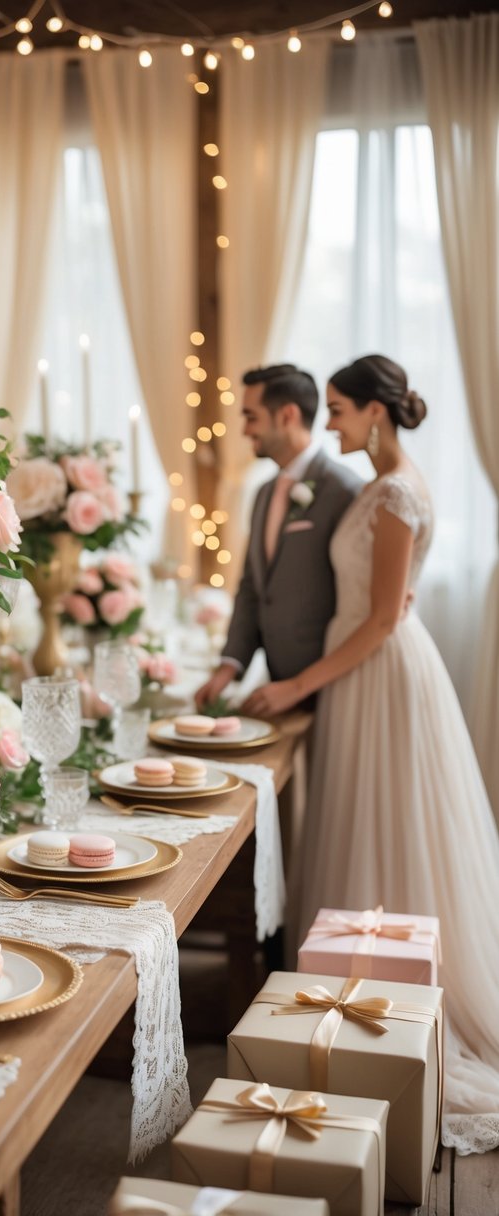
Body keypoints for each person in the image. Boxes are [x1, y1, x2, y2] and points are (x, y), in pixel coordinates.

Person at [244, 354, 499, 1153]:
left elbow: (384, 617)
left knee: (389, 827)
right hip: (359, 675)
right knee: (360, 822)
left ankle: (391, 1012)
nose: (333, 426)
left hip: (380, 674)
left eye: (342, 413)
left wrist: (294, 687)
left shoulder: (391, 491)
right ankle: (350, 1004)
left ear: (374, 415)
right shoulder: (378, 487)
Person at [195, 364, 362, 710]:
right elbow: (253, 588)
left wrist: (302, 685)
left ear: (287, 415)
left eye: (251, 417)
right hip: (277, 684)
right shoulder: (263, 493)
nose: (244, 430)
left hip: (332, 689)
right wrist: (229, 667)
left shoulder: (345, 491)